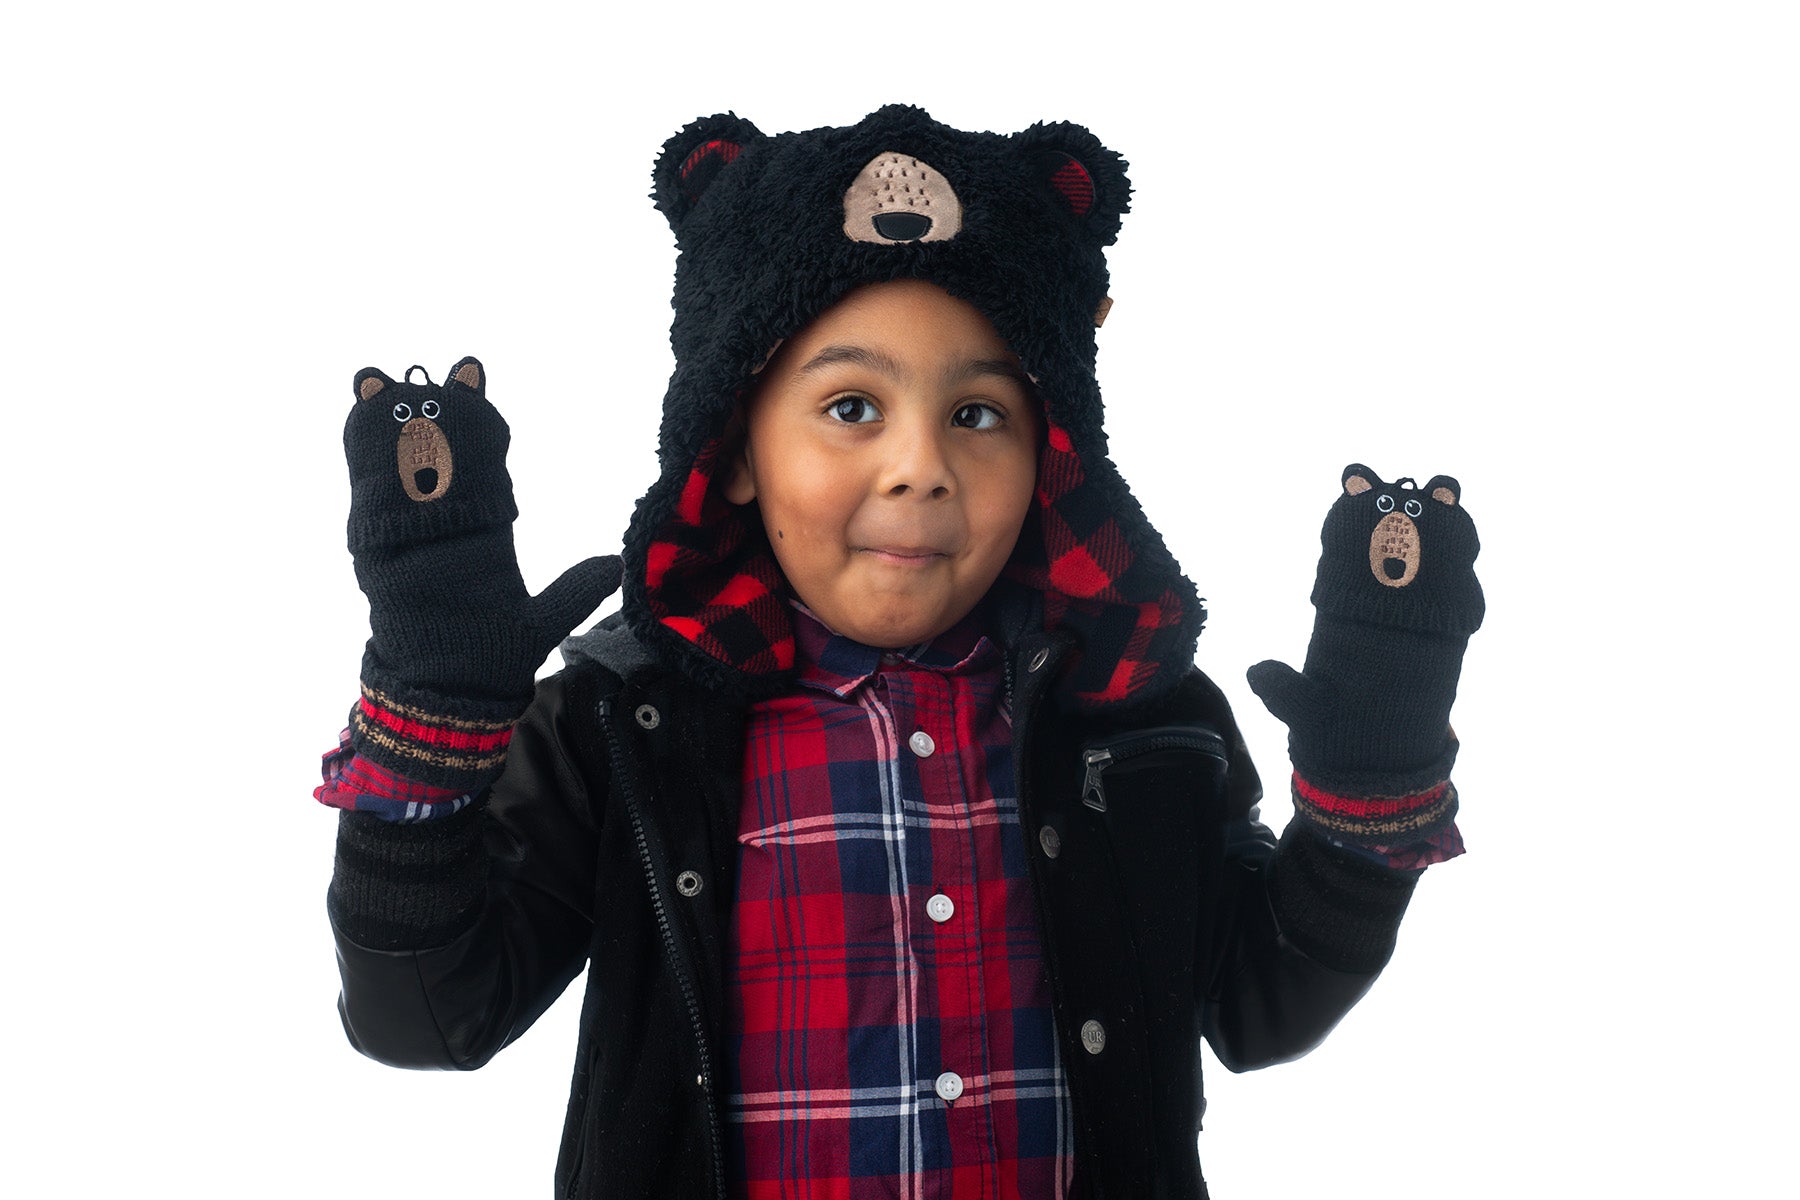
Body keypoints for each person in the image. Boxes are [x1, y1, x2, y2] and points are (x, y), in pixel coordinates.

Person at [317, 105, 1481, 1200]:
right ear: (734, 448)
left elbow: (1263, 1004)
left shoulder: (1143, 718)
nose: (920, 467)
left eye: (978, 415)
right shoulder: (620, 724)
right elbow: (428, 1017)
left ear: (1053, 455)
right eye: (850, 408)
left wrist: (1365, 797)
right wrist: (433, 722)